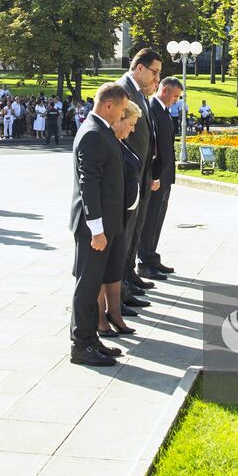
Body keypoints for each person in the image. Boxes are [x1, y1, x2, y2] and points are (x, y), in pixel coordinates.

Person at [69, 82, 128, 367]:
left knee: (93, 286)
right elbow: (88, 184)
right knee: (87, 285)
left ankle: (91, 340)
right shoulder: (93, 133)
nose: (122, 115)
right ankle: (81, 346)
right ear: (108, 106)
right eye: (121, 109)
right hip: (94, 228)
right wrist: (97, 230)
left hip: (104, 225)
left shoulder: (101, 129)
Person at [118, 48, 161, 310]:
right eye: (154, 72)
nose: (157, 78)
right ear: (139, 68)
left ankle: (129, 276)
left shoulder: (143, 95)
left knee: (134, 230)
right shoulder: (123, 90)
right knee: (125, 234)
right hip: (129, 178)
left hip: (141, 176)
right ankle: (119, 286)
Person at [99, 98, 143, 340]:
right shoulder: (106, 141)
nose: (132, 129)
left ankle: (115, 314)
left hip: (122, 216)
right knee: (102, 271)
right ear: (118, 117)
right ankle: (101, 319)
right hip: (109, 217)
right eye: (131, 123)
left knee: (114, 268)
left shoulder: (121, 143)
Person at [138, 76, 182, 279]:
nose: (175, 100)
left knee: (157, 219)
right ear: (164, 90)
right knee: (150, 219)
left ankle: (152, 256)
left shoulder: (163, 110)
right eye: (174, 96)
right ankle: (145, 261)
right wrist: (154, 175)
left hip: (165, 177)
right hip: (156, 178)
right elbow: (152, 146)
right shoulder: (152, 109)